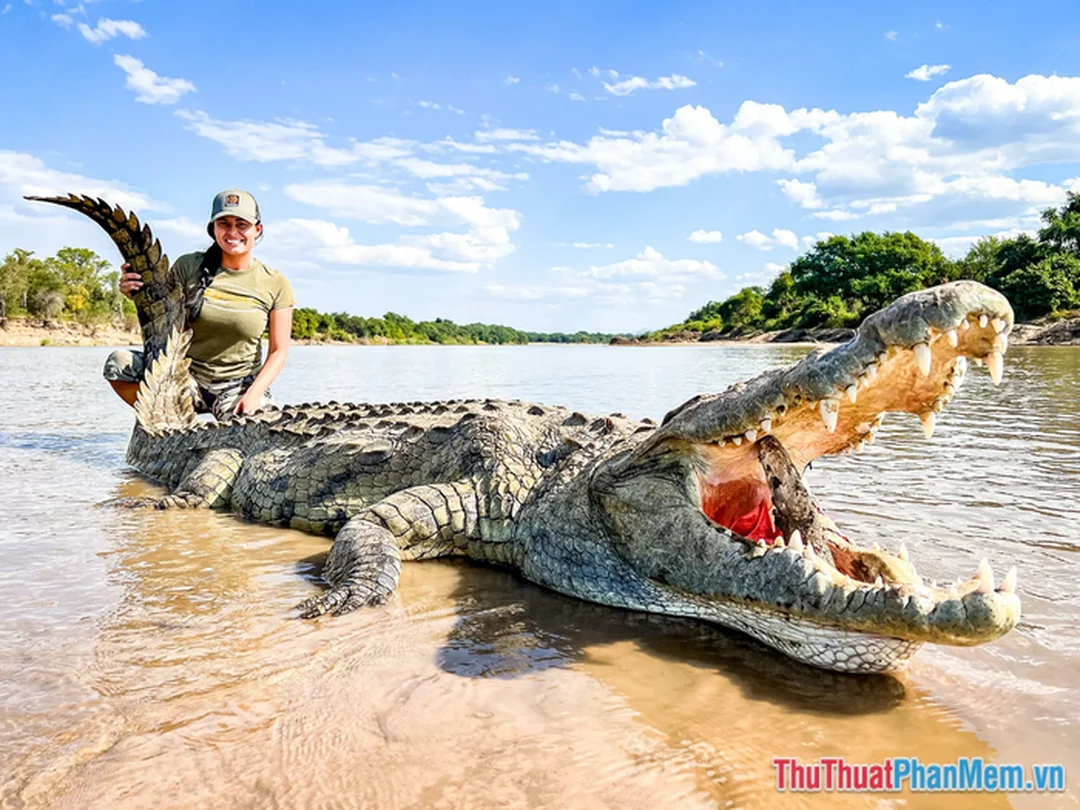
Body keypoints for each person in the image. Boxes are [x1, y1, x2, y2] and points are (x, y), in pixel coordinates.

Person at [103, 189, 294, 420]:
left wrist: (254, 394)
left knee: (258, 430)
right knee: (118, 363)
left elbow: (278, 351)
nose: (232, 232)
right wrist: (136, 293)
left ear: (258, 229)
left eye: (241, 224)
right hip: (184, 377)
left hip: (237, 385)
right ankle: (164, 423)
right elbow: (166, 317)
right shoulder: (188, 266)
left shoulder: (276, 282)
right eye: (224, 223)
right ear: (213, 228)